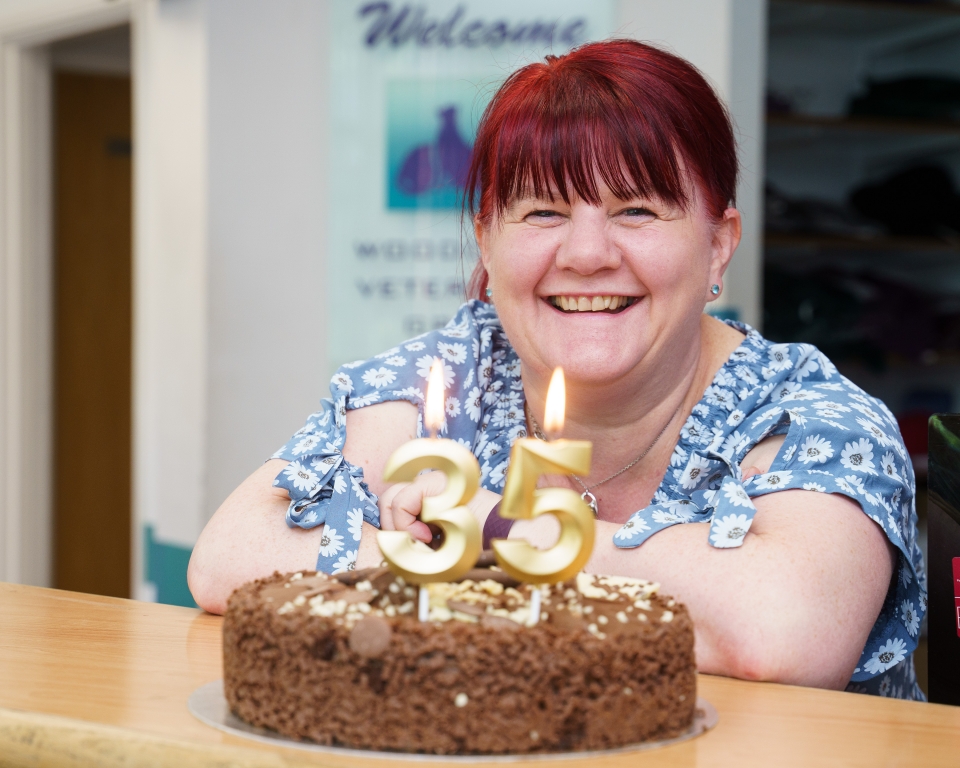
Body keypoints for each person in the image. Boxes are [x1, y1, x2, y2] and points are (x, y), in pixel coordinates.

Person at [188, 40, 925, 700]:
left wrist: (494, 533)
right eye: (542, 213)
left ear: (718, 244)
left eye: (636, 209)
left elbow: (783, 636)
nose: (586, 254)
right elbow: (232, 557)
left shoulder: (809, 415)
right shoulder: (458, 374)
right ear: (486, 241)